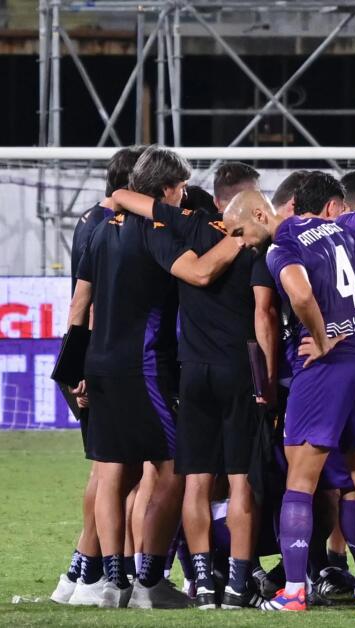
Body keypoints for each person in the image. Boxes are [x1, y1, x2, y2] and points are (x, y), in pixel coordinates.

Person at [67, 145, 244, 609]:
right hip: (143, 365)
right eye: (181, 187)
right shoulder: (155, 228)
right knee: (172, 469)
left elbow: (80, 303)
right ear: (168, 188)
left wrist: (72, 367)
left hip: (99, 365)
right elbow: (201, 274)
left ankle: (112, 583)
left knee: (112, 473)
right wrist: (240, 238)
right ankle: (148, 581)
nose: (184, 195)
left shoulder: (100, 227)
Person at [223, 185, 355, 612]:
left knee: (301, 482)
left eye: (238, 231)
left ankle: (293, 591)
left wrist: (323, 338)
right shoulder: (339, 230)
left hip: (326, 366)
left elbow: (302, 294)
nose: (239, 242)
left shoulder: (280, 245)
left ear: (258, 213)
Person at [109, 176, 273, 609]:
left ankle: (201, 585)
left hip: (192, 372)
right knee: (240, 483)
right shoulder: (256, 248)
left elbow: (120, 196)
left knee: (196, 483)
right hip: (237, 371)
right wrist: (267, 380)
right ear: (255, 214)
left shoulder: (189, 227)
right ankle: (237, 585)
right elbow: (263, 316)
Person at [52, 146, 144, 608]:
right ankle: (88, 574)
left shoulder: (92, 218)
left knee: (116, 471)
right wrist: (80, 365)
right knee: (113, 471)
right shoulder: (107, 224)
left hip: (98, 357)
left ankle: (80, 573)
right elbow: (85, 302)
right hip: (103, 359)